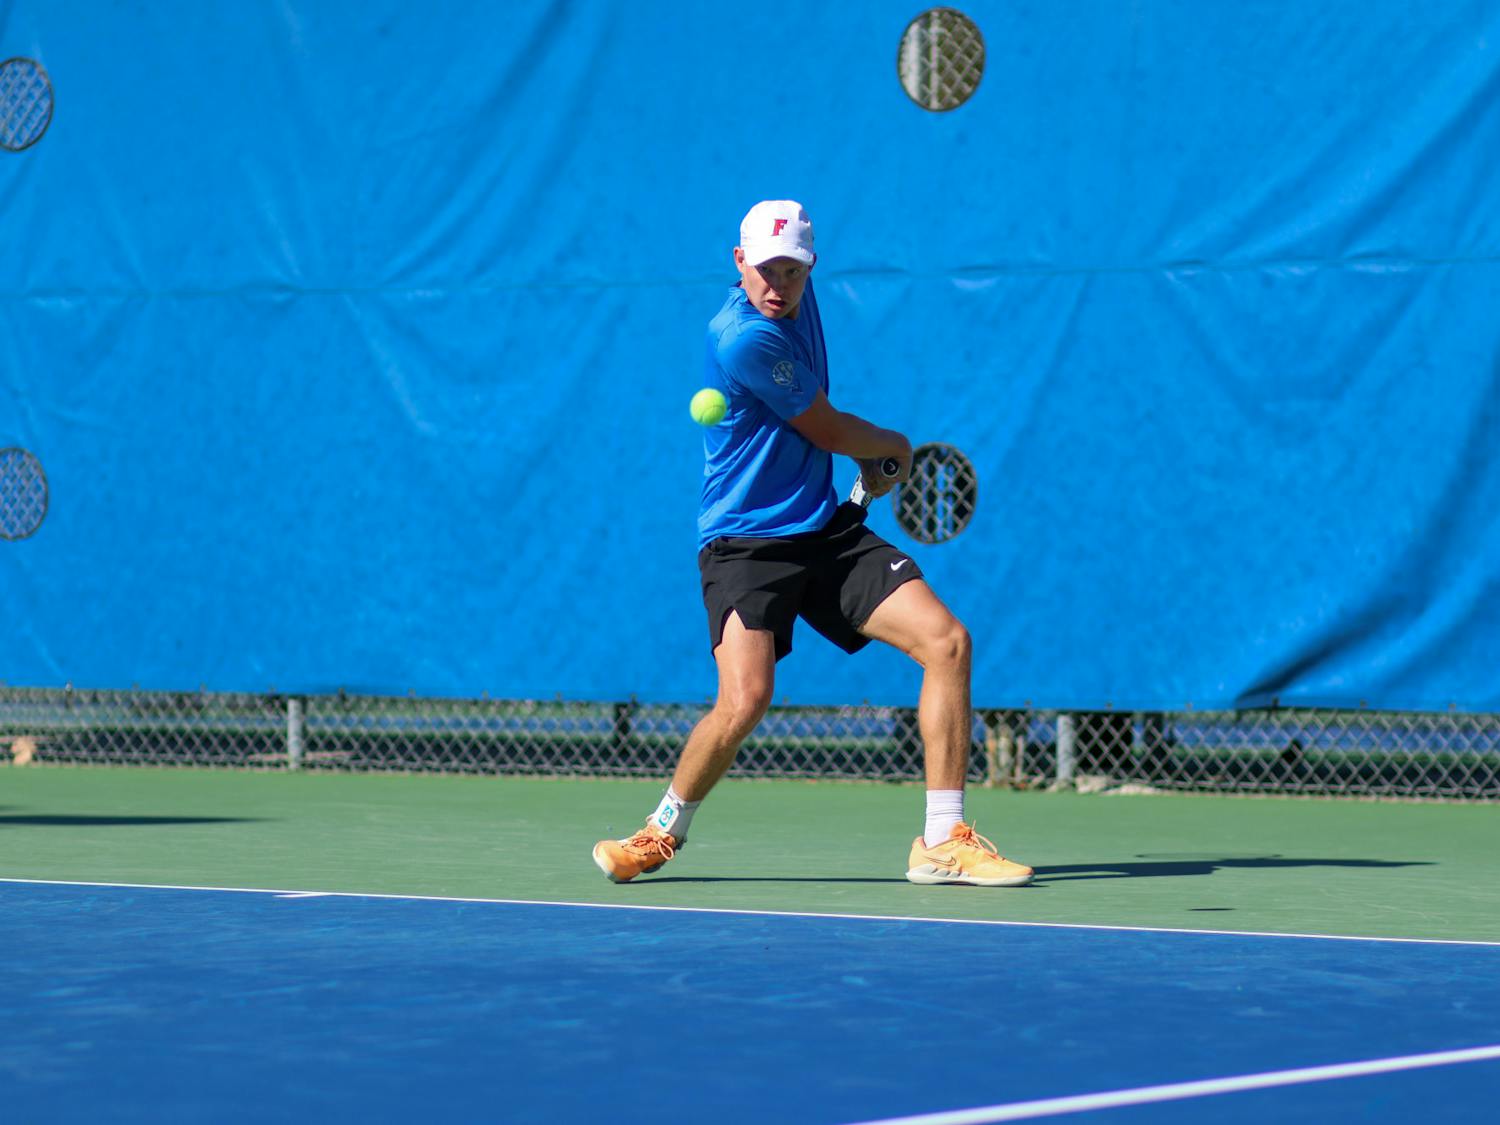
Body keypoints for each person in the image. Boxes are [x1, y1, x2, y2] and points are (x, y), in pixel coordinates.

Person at [591, 200, 1032, 888]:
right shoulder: (743, 337)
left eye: (793, 271)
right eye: (765, 270)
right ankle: (659, 832)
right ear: (739, 264)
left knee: (947, 641)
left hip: (823, 530)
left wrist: (861, 471)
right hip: (746, 544)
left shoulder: (798, 293)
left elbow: (820, 437)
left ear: (810, 269)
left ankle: (943, 838)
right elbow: (826, 429)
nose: (779, 285)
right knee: (745, 699)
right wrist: (892, 450)